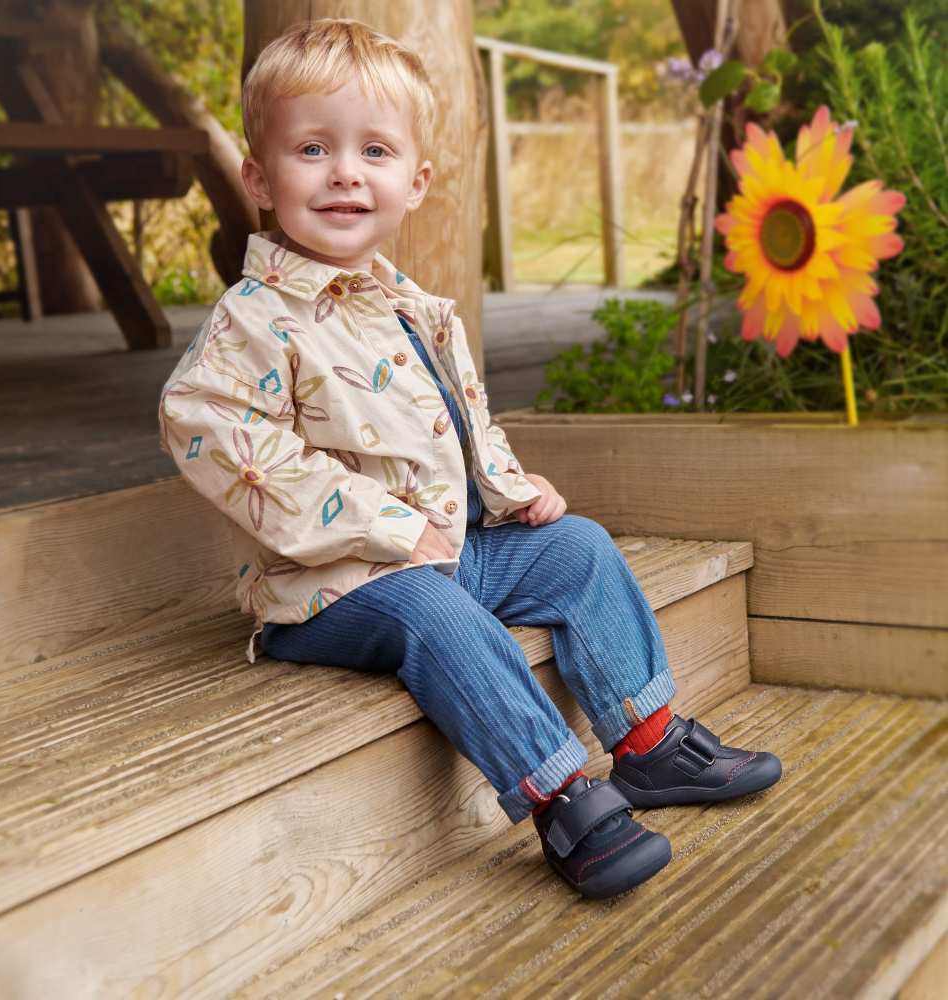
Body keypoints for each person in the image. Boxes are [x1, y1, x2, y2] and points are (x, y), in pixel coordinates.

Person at [158, 17, 782, 901]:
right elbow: (207, 427)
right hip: (334, 590)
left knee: (580, 549)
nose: (345, 171)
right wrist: (385, 526)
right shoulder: (256, 320)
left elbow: (458, 422)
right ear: (260, 178)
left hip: (452, 551)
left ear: (414, 182)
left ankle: (648, 743)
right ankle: (565, 799)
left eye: (374, 150)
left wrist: (508, 487)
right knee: (431, 613)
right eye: (311, 148)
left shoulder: (416, 309)